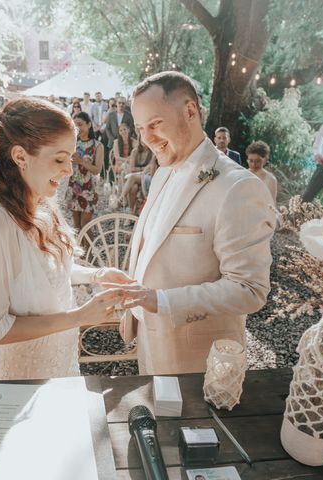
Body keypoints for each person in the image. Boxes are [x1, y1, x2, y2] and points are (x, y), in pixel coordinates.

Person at [0, 97, 143, 380]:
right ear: (20, 156)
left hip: (62, 363)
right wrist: (79, 317)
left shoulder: (42, 208)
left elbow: (46, 272)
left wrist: (98, 274)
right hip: (24, 375)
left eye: (70, 158)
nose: (69, 169)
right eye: (59, 159)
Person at [116, 71, 276, 375]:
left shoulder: (238, 186)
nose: (146, 139)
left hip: (198, 361)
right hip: (150, 348)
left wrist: (161, 301)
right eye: (140, 128)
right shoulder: (163, 172)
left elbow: (249, 288)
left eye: (154, 124)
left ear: (190, 111)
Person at [65, 112, 104, 232]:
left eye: (80, 124)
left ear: (89, 125)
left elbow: (97, 170)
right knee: (76, 226)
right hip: (73, 188)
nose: (77, 128)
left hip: (89, 190)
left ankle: (90, 251)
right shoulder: (72, 144)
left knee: (86, 226)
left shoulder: (98, 146)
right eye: (75, 125)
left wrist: (81, 161)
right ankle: (81, 251)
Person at [122, 135, 156, 214]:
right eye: (142, 139)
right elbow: (131, 169)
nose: (143, 141)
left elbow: (150, 169)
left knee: (132, 177)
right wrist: (143, 169)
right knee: (134, 187)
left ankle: (122, 197)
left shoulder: (153, 152)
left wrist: (142, 170)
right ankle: (132, 211)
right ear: (140, 140)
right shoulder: (135, 151)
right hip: (139, 176)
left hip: (148, 177)